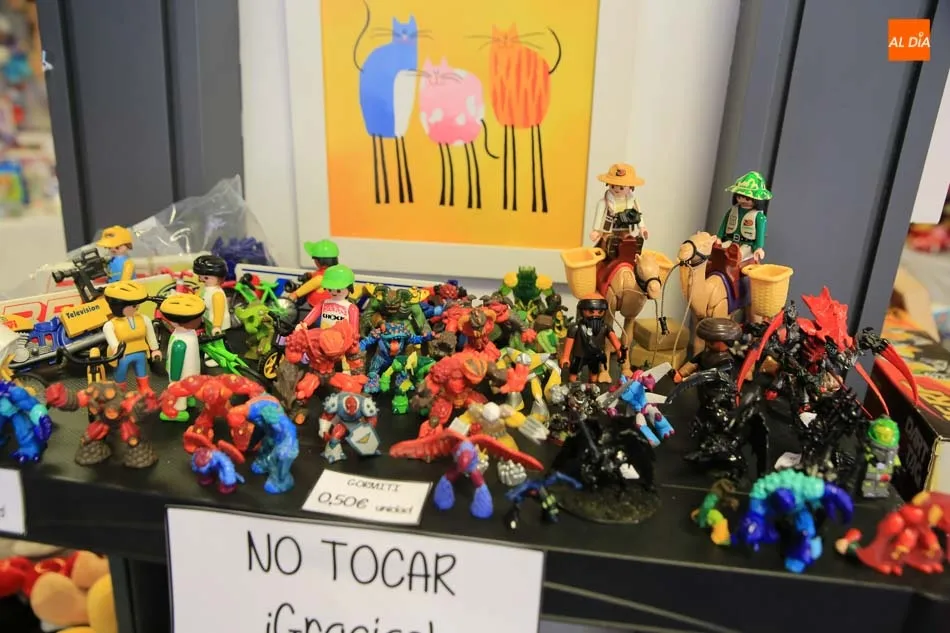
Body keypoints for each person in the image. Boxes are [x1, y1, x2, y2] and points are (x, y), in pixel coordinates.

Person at [102, 281, 161, 394]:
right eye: (134, 305)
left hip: (140, 352)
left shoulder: (144, 319)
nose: (137, 307)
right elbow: (113, 342)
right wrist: (116, 350)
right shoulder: (110, 325)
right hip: (122, 356)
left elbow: (150, 335)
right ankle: (120, 392)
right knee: (120, 374)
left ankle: (144, 388)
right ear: (119, 307)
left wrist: (155, 349)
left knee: (142, 371)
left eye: (137, 304)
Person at [158, 293, 205, 421]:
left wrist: (175, 378)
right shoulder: (185, 338)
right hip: (186, 374)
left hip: (187, 374)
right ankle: (180, 407)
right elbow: (177, 360)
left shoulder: (186, 336)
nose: (201, 320)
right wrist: (175, 379)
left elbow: (180, 359)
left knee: (185, 388)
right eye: (199, 317)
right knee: (183, 390)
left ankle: (185, 401)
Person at [559, 293, 626, 383]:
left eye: (600, 312)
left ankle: (592, 386)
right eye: (591, 311)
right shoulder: (575, 327)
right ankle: (572, 386)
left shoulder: (605, 327)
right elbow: (569, 341)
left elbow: (614, 340)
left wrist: (620, 350)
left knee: (594, 374)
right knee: (573, 373)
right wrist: (566, 357)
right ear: (582, 310)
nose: (595, 315)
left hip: (595, 355)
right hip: (579, 355)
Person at [589, 163, 648, 260]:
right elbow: (599, 217)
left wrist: (642, 228)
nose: (616, 189)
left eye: (621, 188)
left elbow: (638, 215)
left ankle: (634, 250)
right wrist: (596, 230)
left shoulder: (633, 202)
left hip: (626, 228)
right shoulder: (604, 202)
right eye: (613, 186)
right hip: (610, 229)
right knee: (610, 240)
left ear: (631, 187)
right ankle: (610, 254)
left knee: (629, 240)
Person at [715, 171, 771, 263]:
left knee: (736, 257)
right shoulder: (732, 211)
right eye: (739, 197)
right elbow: (724, 224)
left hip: (747, 245)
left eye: (747, 198)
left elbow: (760, 233)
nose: (742, 200)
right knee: (717, 251)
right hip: (730, 241)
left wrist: (758, 247)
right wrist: (719, 237)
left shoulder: (759, 217)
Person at [296, 264, 359, 337]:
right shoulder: (323, 303)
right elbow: (314, 313)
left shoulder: (351, 308)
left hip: (342, 339)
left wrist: (354, 337)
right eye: (330, 289)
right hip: (323, 336)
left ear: (349, 288)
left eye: (338, 290)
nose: (334, 292)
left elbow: (354, 328)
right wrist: (304, 323)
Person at [193, 255, 231, 335]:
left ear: (219, 278)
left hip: (216, 322)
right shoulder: (205, 288)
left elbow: (219, 312)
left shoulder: (217, 294)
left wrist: (217, 326)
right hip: (207, 318)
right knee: (208, 334)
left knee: (217, 338)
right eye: (200, 276)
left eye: (206, 278)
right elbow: (196, 297)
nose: (201, 279)